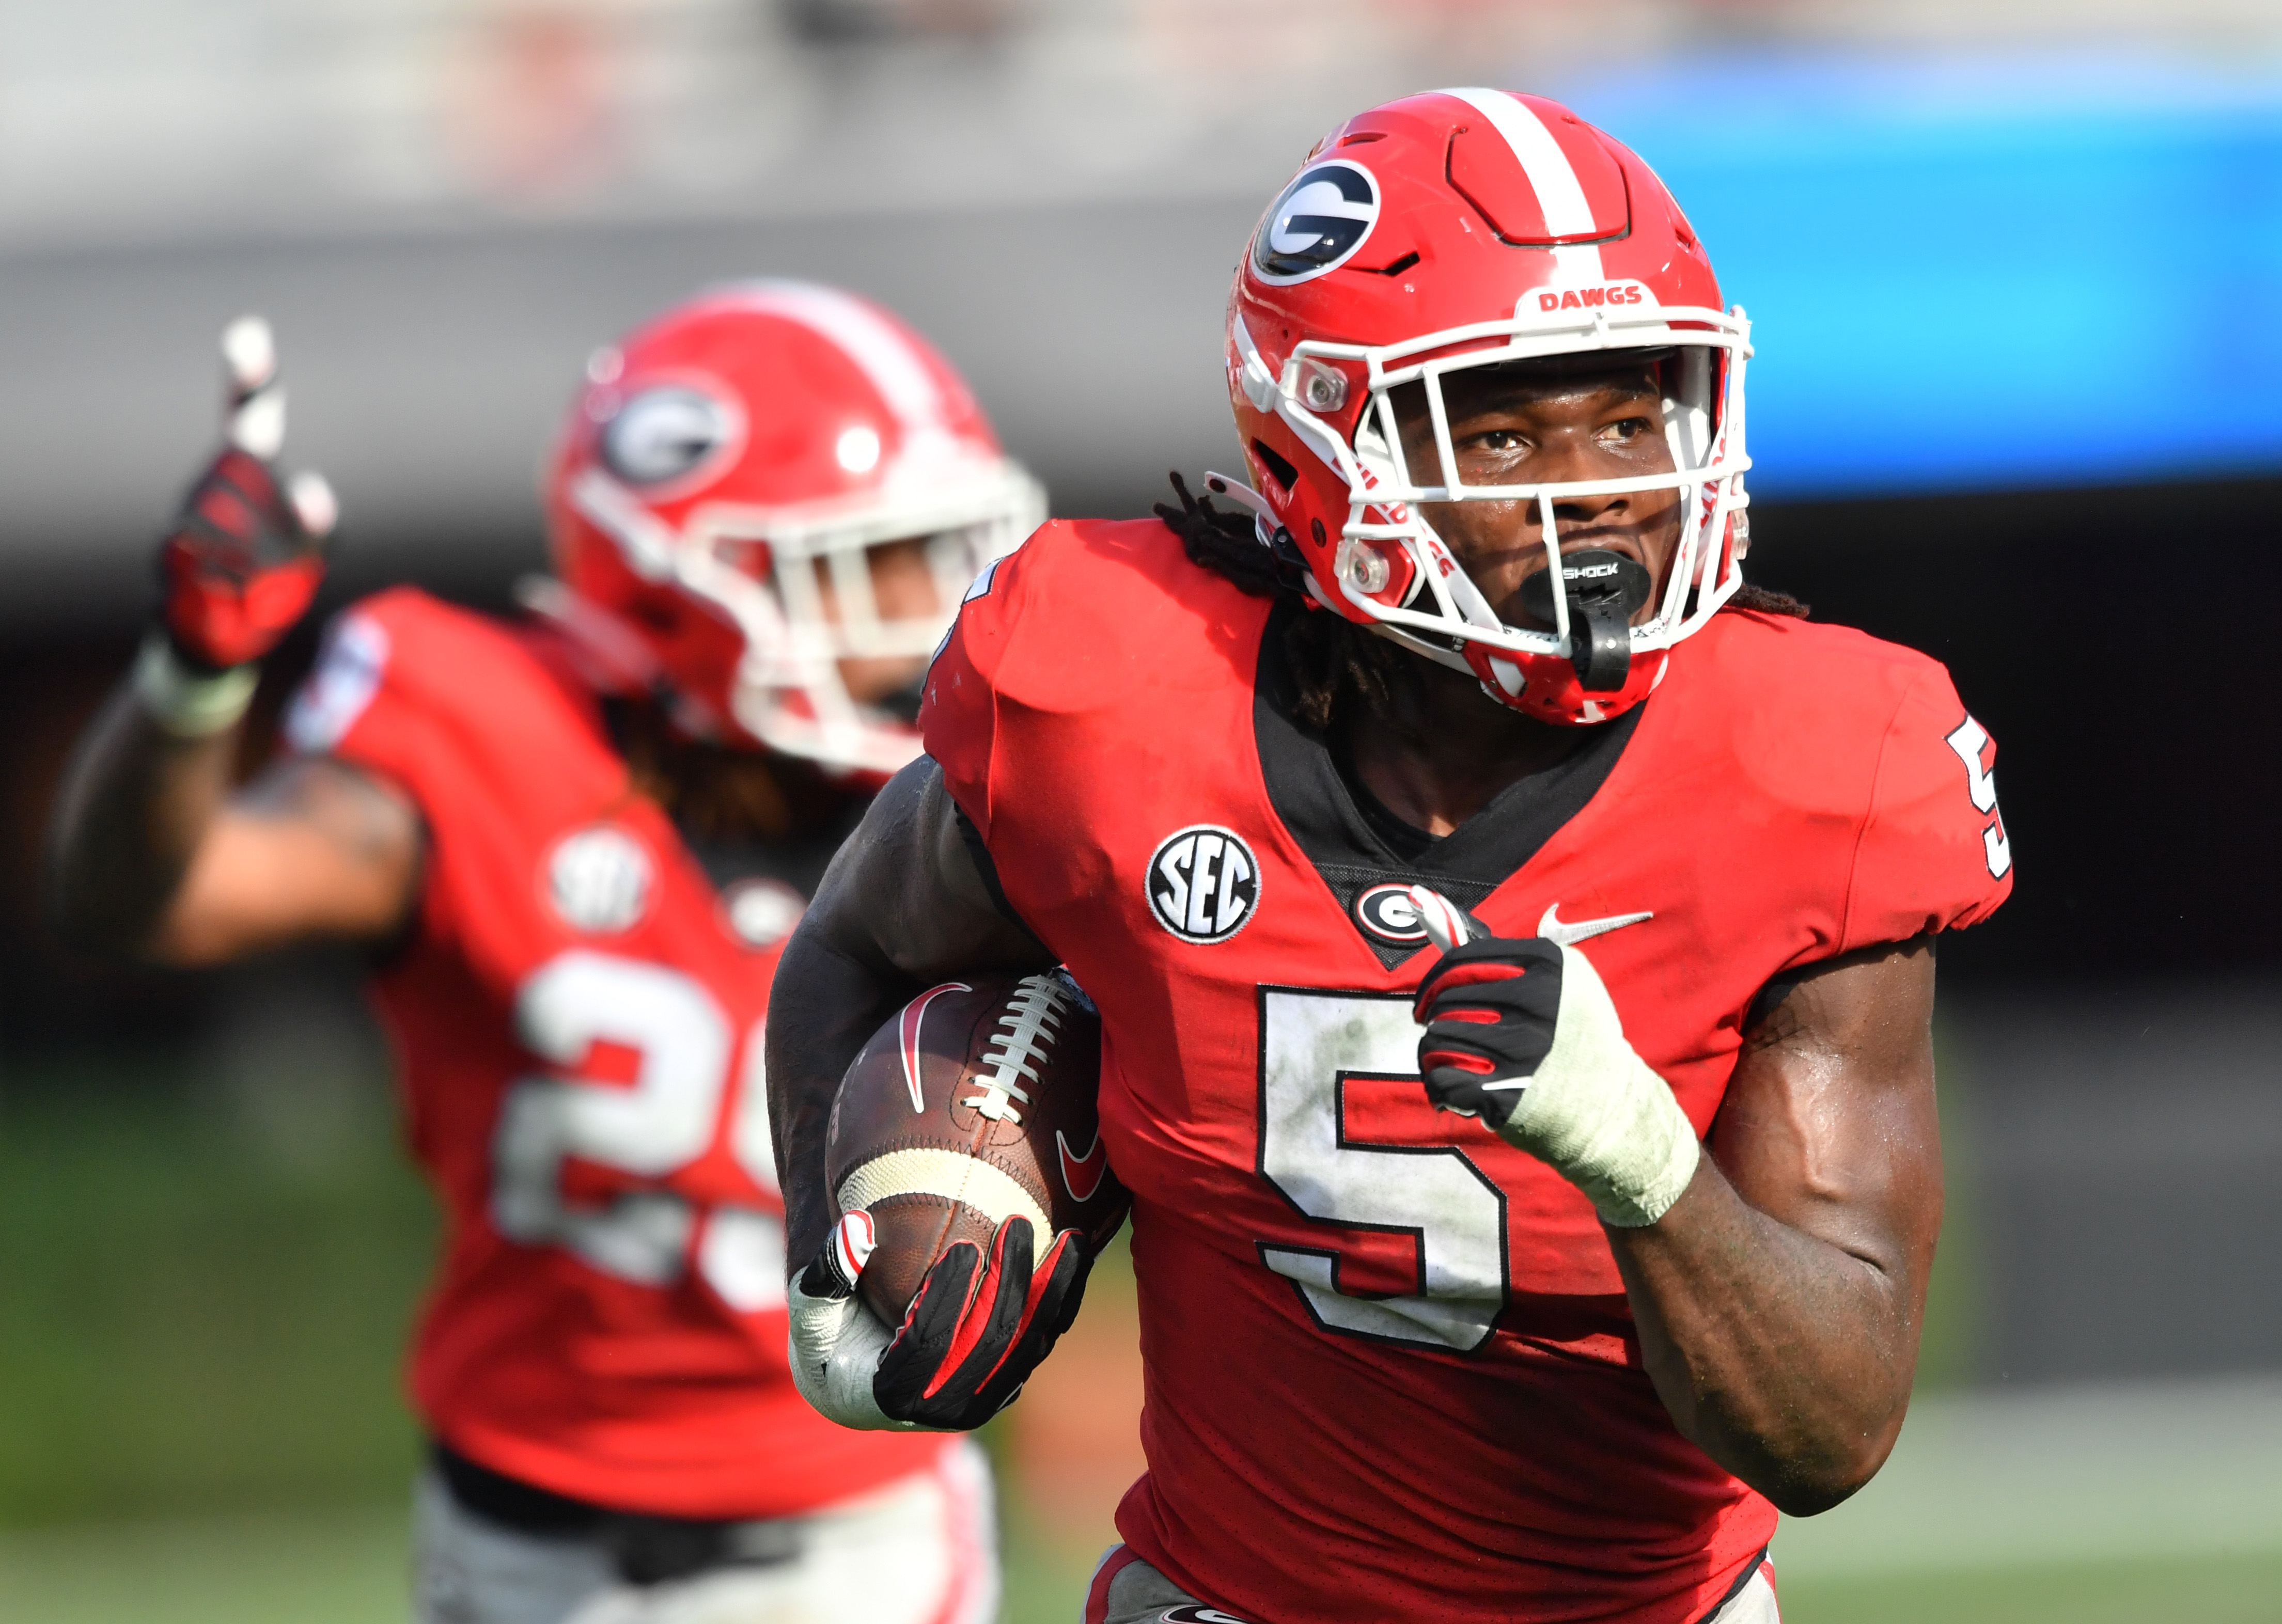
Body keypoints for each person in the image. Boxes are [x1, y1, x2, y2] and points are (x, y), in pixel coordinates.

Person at [765, 88, 2014, 1624]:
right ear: (1315, 450)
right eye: (1496, 429)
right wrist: (829, 1248)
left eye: (1631, 414)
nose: (1598, 486)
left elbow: (1830, 1427)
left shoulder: (1817, 756)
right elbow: (857, 944)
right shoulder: (1109, 691)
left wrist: (1636, 1153)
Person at [46, 281, 1043, 1624]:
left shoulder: (984, 806)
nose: (930, 606)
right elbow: (154, 901)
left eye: (940, 549)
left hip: (859, 1542)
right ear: (689, 581)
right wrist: (191, 681)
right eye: (875, 562)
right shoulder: (479, 728)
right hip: (524, 1542)